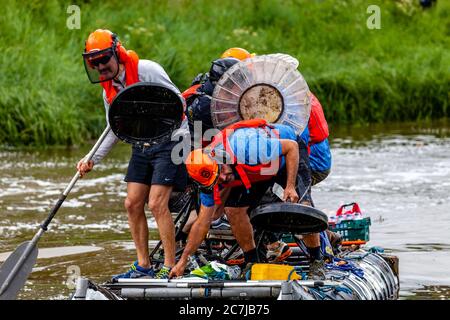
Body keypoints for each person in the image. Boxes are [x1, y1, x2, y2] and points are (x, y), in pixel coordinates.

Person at [78, 29, 187, 279]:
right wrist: (91, 159)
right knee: (132, 203)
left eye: (104, 59)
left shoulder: (148, 70)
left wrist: (150, 110)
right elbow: (112, 131)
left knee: (157, 203)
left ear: (117, 53)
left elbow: (180, 103)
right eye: (94, 63)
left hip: (172, 139)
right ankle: (144, 266)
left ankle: (170, 267)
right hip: (142, 144)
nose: (100, 67)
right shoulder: (108, 90)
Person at [170, 119, 327, 279]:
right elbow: (202, 223)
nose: (224, 177)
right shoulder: (208, 179)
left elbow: (291, 147)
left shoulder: (246, 147)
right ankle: (252, 261)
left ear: (221, 157)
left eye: (222, 170)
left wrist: (290, 186)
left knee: (302, 206)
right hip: (255, 169)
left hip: (287, 155)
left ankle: (316, 260)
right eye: (218, 178)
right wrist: (182, 261)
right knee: (233, 210)